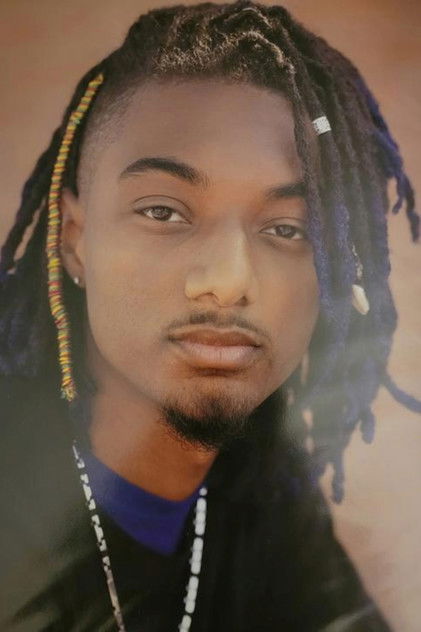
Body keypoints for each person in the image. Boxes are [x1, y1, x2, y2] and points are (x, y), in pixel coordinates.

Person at [0, 1, 419, 630]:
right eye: (163, 212)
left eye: (287, 228)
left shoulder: (261, 488)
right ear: (76, 239)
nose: (228, 282)